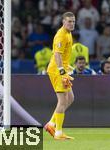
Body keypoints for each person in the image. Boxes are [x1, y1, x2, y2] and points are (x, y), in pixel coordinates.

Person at [44, 12, 75, 140]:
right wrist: (62, 71)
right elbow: (57, 54)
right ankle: (58, 132)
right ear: (63, 22)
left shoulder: (68, 33)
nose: (72, 24)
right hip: (57, 71)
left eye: (73, 21)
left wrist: (67, 67)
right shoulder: (61, 35)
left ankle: (51, 124)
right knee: (62, 101)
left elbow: (63, 55)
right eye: (69, 21)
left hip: (62, 69)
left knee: (70, 98)